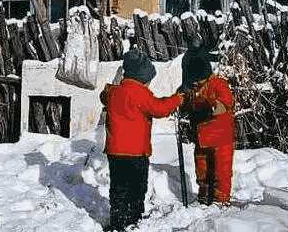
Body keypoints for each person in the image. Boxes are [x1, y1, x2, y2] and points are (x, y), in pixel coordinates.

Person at [100, 49, 184, 231]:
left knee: (119, 188)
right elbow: (159, 108)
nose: (148, 85)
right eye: (148, 81)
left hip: (115, 152)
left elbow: (104, 96)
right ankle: (134, 220)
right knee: (136, 188)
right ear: (140, 76)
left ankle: (117, 221)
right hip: (135, 152)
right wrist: (177, 99)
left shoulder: (115, 92)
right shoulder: (138, 92)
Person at [181, 46, 235, 206]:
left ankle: (221, 199)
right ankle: (204, 193)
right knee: (202, 168)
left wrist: (211, 104)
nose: (196, 83)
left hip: (221, 137)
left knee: (221, 170)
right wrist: (183, 105)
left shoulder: (218, 83)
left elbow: (226, 102)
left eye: (199, 79)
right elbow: (186, 102)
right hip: (202, 136)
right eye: (193, 80)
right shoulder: (192, 88)